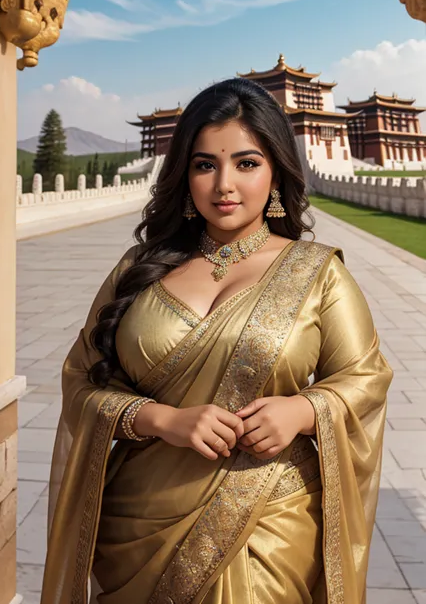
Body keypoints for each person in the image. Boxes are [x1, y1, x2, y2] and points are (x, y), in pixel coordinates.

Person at [41, 78, 392, 604]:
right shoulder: (140, 270)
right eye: (205, 164)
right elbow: (81, 380)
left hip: (267, 525)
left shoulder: (317, 273)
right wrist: (163, 420)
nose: (224, 184)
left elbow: (366, 379)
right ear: (184, 173)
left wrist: (302, 410)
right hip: (135, 524)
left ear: (275, 172)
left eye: (246, 164)